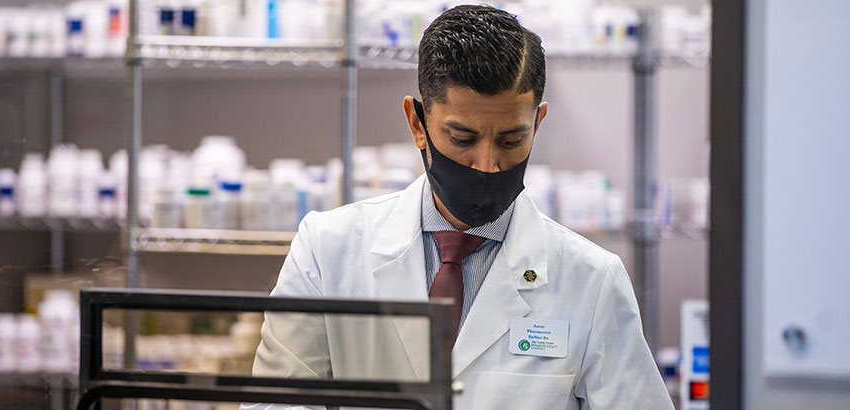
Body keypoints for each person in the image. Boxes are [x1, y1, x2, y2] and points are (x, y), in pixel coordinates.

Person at [246, 5, 673, 410]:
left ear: (537, 123)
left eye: (511, 140)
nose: (487, 165)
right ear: (417, 123)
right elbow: (274, 403)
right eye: (463, 139)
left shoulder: (592, 280)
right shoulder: (327, 250)